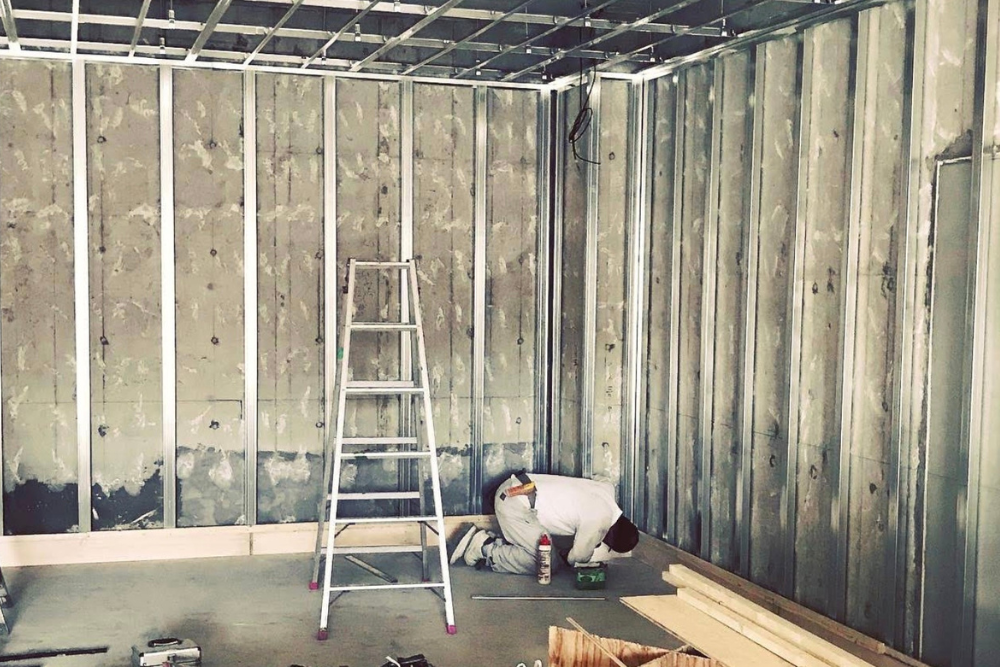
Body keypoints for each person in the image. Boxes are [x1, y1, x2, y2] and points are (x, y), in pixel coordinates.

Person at [449, 471, 639, 575]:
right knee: (546, 563)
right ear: (609, 537)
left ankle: (501, 543)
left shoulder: (607, 490)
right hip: (513, 503)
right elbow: (576, 559)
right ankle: (484, 547)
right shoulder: (599, 521)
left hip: (519, 486)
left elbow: (601, 477)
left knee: (548, 544)